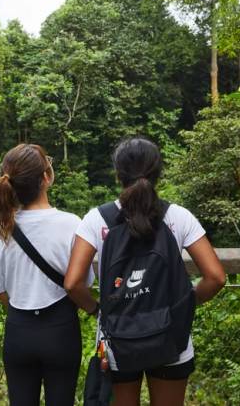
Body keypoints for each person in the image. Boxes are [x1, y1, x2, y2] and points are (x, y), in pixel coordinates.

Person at [64, 137, 226, 406]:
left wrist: (97, 310)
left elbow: (72, 284)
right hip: (171, 337)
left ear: (118, 175)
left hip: (118, 338)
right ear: (158, 173)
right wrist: (185, 303)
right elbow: (216, 277)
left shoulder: (98, 219)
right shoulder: (178, 216)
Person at [0, 144, 93, 406]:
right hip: (61, 329)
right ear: (46, 177)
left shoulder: (1, 227)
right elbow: (83, 282)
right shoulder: (72, 224)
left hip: (19, 330)